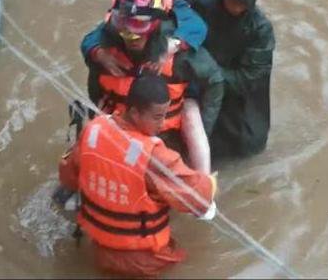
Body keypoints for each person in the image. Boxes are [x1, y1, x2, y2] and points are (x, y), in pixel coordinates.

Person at [59, 74, 217, 277]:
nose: (162, 124)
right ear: (134, 112)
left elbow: (68, 177)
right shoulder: (155, 157)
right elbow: (200, 199)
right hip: (147, 263)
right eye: (157, 117)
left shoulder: (92, 130)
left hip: (99, 251)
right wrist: (211, 183)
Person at [80, 0, 223, 173]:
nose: (132, 36)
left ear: (155, 24)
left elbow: (215, 81)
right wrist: (97, 54)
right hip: (119, 132)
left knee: (191, 118)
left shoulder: (178, 53)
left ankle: (203, 184)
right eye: (125, 26)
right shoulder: (103, 49)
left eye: (139, 26)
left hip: (167, 136)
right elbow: (95, 89)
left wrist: (204, 129)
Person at [190, 0, 275, 157]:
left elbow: (250, 78)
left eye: (241, 3)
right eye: (231, 0)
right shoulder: (200, 5)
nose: (235, 7)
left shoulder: (260, 30)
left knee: (246, 146)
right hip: (199, 80)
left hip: (236, 96)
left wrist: (209, 73)